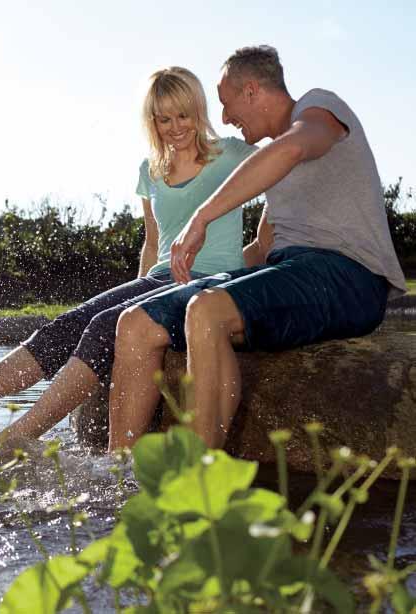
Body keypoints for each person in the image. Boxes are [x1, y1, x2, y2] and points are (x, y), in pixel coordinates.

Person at [0, 66, 256, 451]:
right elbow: (152, 242)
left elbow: (287, 166)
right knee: (71, 322)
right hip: (159, 280)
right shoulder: (151, 170)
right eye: (164, 119)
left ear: (200, 111)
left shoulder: (231, 155)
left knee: (102, 327)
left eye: (184, 115)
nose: (176, 127)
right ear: (152, 121)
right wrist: (135, 295)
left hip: (210, 283)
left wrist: (266, 251)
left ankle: (13, 438)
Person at [108, 45, 406, 452]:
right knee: (135, 323)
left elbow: (295, 146)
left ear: (251, 91)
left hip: (350, 276)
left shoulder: (318, 109)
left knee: (206, 310)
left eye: (228, 105)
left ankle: (198, 482)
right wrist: (198, 278)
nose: (226, 119)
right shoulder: (276, 166)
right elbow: (263, 248)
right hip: (292, 271)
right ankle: (118, 472)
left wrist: (202, 218)